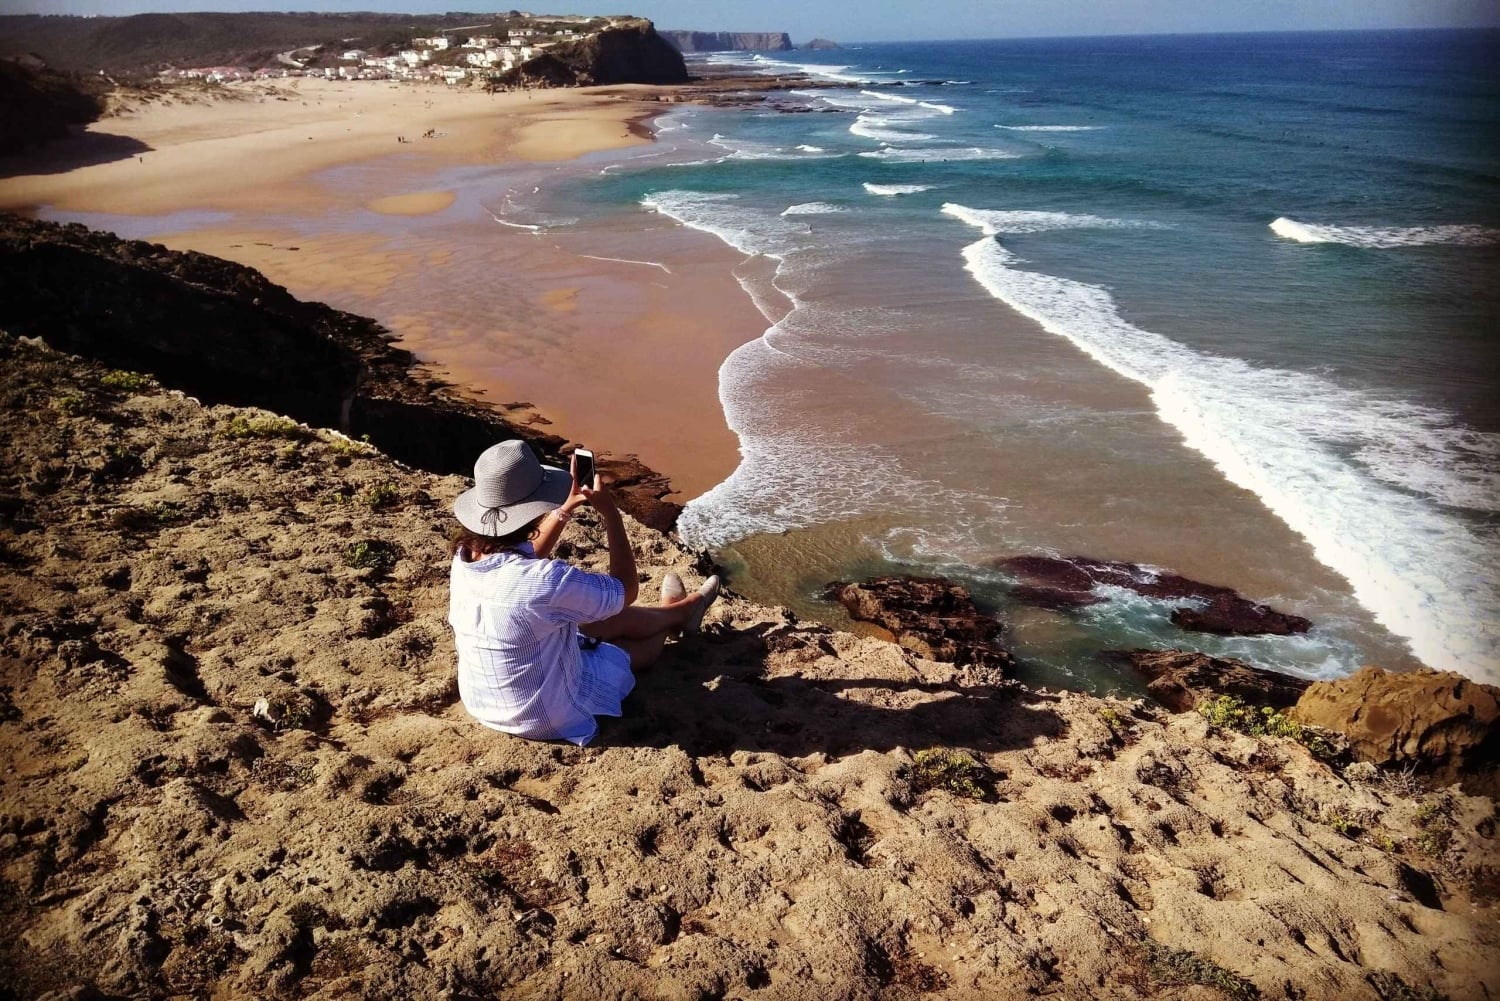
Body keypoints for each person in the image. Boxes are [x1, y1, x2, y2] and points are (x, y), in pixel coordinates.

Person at [447, 439, 719, 746]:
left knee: (602, 621)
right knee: (622, 654)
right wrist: (611, 515)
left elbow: (524, 559)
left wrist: (568, 506)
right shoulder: (545, 581)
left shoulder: (466, 556)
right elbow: (625, 591)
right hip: (541, 713)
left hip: (484, 700)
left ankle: (678, 612)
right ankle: (680, 613)